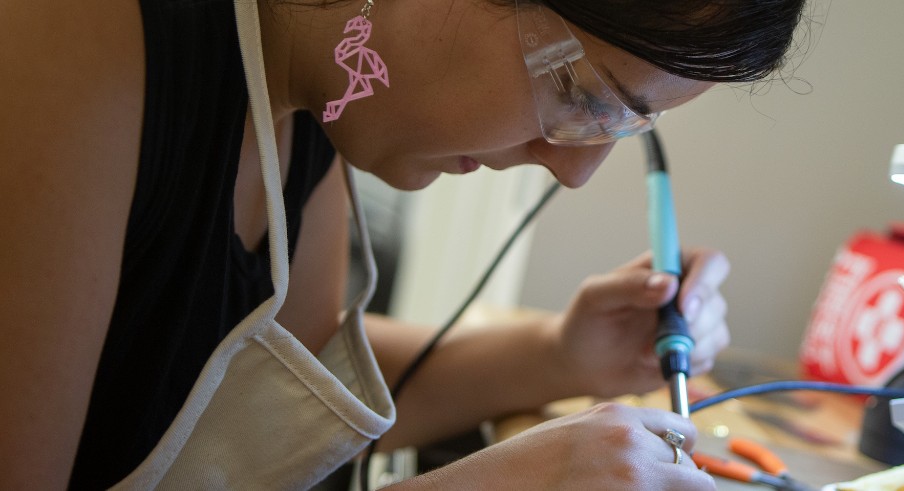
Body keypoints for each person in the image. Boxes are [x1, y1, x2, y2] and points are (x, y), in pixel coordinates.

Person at [0, 0, 807, 488]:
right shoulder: (79, 40)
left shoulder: (307, 105)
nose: (574, 172)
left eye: (623, 126)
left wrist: (561, 355)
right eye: (580, 94)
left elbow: (284, 390)